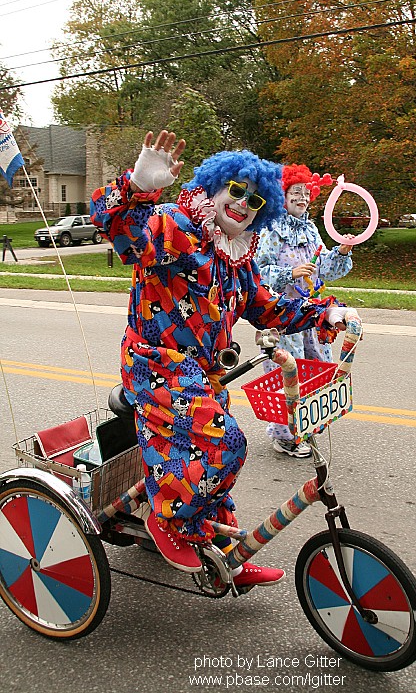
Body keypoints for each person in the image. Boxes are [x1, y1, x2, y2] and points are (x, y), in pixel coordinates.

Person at [90, 130, 352, 587]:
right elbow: (124, 235)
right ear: (214, 188)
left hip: (202, 373)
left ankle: (224, 554)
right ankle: (169, 521)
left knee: (220, 463)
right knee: (225, 443)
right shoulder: (177, 225)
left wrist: (325, 311)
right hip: (156, 364)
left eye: (254, 200)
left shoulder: (239, 255)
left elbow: (266, 306)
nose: (243, 204)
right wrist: (135, 188)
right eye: (235, 190)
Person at [256, 163, 354, 458]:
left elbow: (325, 268)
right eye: (294, 192)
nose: (302, 197)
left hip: (310, 314)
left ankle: (304, 427)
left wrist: (342, 250)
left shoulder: (310, 229)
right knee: (289, 371)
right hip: (282, 315)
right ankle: (286, 436)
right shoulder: (271, 227)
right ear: (282, 196)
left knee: (315, 369)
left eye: (305, 192)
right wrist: (291, 272)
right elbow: (258, 271)